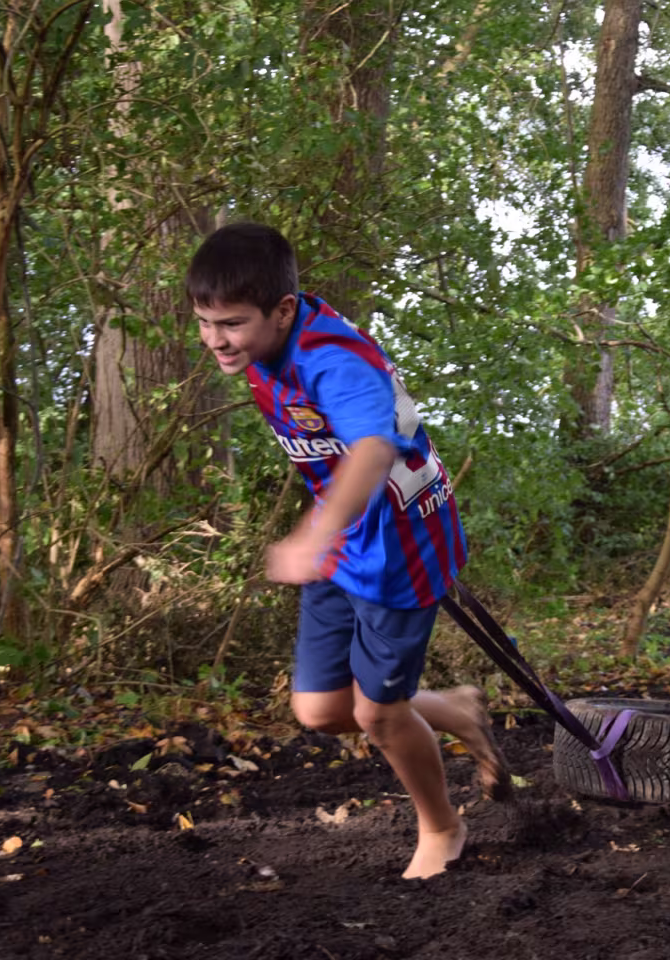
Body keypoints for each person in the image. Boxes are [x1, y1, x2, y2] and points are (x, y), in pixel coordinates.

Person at [186, 222, 509, 879]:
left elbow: (373, 448)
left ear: (282, 310)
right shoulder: (265, 348)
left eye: (232, 324)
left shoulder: (335, 361)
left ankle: (442, 828)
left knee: (378, 715)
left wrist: (313, 535)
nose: (215, 339)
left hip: (400, 544)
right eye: (204, 322)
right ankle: (455, 710)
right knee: (322, 710)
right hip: (342, 532)